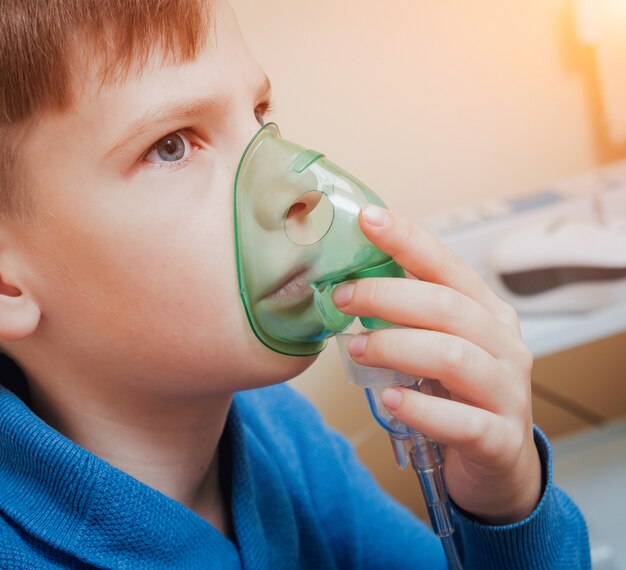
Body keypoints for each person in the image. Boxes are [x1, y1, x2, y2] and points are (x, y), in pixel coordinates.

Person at [0, 0, 590, 568]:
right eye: (171, 144)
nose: (298, 187)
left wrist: (505, 504)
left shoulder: (279, 437)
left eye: (259, 116)